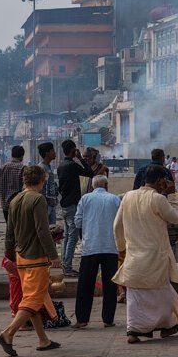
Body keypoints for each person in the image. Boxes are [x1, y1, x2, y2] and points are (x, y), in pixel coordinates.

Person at [113, 165, 178, 344]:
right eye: (165, 179)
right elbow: (176, 218)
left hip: (134, 257)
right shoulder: (158, 199)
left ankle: (133, 330)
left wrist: (121, 248)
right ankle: (166, 326)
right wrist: (172, 195)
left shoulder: (128, 196)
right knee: (161, 294)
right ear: (159, 181)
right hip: (156, 257)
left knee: (135, 298)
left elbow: (117, 225)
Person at [0, 165, 62, 357]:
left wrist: (9, 255)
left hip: (21, 257)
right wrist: (54, 256)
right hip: (37, 258)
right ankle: (8, 333)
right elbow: (43, 231)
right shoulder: (38, 199)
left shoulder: (15, 200)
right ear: (41, 180)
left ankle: (43, 340)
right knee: (33, 299)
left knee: (32, 298)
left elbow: (9, 233)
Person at [73, 175, 121, 329]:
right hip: (110, 247)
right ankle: (108, 319)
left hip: (90, 247)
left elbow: (77, 221)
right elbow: (121, 221)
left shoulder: (85, 199)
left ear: (93, 186)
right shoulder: (114, 199)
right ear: (106, 186)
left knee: (85, 284)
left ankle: (82, 318)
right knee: (110, 285)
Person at [57, 139, 94, 277]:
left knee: (67, 235)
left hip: (65, 204)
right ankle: (67, 266)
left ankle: (64, 263)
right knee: (73, 237)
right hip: (72, 205)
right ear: (73, 150)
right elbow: (90, 173)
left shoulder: (61, 166)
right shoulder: (72, 165)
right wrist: (81, 159)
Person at [133, 148, 178, 251]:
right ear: (162, 158)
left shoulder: (142, 170)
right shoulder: (165, 171)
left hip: (142, 207)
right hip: (160, 207)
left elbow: (135, 189)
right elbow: (170, 190)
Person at [0, 146, 26, 222]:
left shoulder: (2, 167)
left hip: (5, 205)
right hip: (18, 205)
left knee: (9, 228)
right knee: (18, 229)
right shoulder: (23, 168)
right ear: (22, 156)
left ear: (12, 155)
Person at [37, 142, 58, 225]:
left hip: (51, 203)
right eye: (52, 150)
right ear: (47, 153)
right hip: (45, 204)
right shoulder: (41, 168)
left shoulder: (48, 167)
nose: (55, 153)